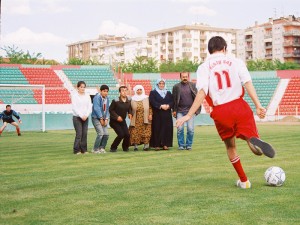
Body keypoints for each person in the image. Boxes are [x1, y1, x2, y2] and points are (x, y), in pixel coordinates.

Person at [176, 36, 276, 189]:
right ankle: (252, 140)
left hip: (221, 111)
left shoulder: (204, 67)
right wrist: (258, 105)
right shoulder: (236, 61)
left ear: (209, 51)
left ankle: (244, 181)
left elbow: (202, 92)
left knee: (231, 147)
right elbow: (247, 83)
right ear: (224, 48)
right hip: (240, 106)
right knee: (254, 145)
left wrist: (189, 115)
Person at [172, 72, 201, 150]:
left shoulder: (193, 85)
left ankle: (189, 145)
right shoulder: (176, 87)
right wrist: (174, 110)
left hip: (190, 112)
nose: (185, 78)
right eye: (183, 77)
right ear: (180, 77)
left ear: (188, 77)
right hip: (180, 111)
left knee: (190, 129)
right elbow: (174, 100)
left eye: (186, 76)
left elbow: (197, 97)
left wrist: (195, 109)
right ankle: (181, 145)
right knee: (180, 129)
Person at [149, 79, 174, 150]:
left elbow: (172, 101)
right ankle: (156, 145)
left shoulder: (168, 93)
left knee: (167, 129)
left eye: (163, 83)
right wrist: (160, 106)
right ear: (157, 84)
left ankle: (166, 144)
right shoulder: (153, 92)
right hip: (157, 114)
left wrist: (168, 106)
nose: (161, 85)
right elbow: (152, 101)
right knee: (157, 129)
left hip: (167, 114)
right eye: (160, 83)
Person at [129, 85, 152, 151]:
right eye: (137, 90)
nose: (139, 91)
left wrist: (150, 114)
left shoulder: (147, 98)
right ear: (135, 91)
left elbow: (150, 107)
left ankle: (146, 146)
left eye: (140, 90)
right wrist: (129, 114)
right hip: (136, 119)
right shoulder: (132, 99)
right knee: (135, 132)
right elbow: (129, 108)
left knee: (146, 132)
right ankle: (135, 146)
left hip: (146, 118)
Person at [109, 86, 132, 152]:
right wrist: (117, 117)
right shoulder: (116, 100)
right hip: (114, 121)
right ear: (120, 92)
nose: (124, 92)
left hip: (122, 121)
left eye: (126, 90)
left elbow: (129, 108)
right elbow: (111, 110)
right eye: (123, 91)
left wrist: (129, 113)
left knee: (127, 134)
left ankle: (125, 147)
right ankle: (113, 147)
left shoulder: (129, 100)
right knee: (121, 134)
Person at [71, 81, 92, 155]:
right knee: (79, 134)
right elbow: (74, 107)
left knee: (84, 133)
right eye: (81, 87)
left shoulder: (87, 95)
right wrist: (81, 115)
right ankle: (76, 150)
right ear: (78, 87)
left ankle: (84, 150)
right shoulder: (74, 96)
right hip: (77, 117)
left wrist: (86, 115)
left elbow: (89, 106)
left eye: (84, 87)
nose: (83, 88)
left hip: (85, 117)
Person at [91, 84, 110, 154]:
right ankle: (95, 149)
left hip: (104, 118)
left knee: (106, 134)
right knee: (100, 133)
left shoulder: (107, 98)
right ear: (101, 91)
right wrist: (101, 118)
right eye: (104, 91)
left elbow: (107, 109)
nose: (106, 93)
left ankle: (101, 148)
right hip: (96, 118)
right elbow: (96, 108)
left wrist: (107, 118)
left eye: (107, 91)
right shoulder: (97, 97)